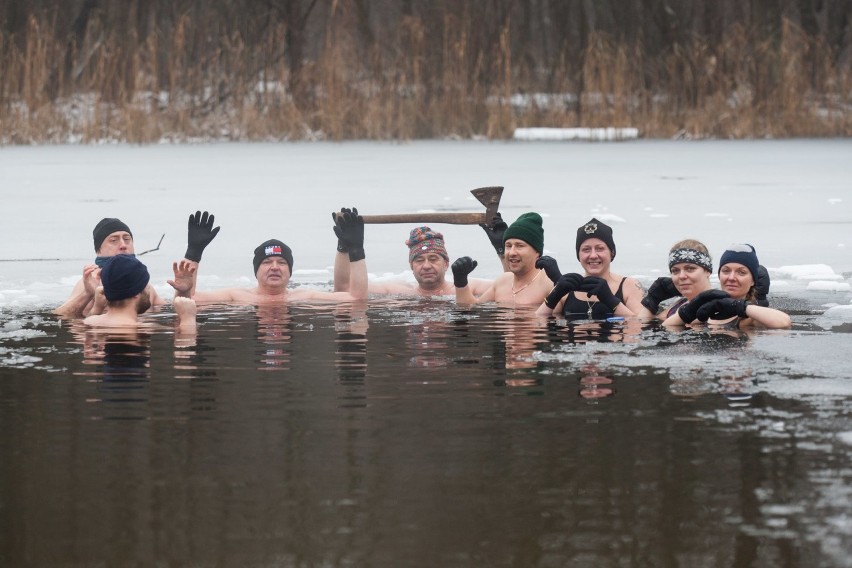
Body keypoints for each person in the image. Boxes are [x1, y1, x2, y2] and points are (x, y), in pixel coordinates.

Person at [173, 208, 369, 304]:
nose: (274, 266)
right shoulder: (237, 296)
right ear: (256, 272)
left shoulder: (304, 297)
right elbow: (187, 301)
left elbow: (356, 298)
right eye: (266, 262)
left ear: (290, 272)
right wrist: (194, 252)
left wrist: (355, 249)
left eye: (282, 262)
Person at [333, 212, 506, 297]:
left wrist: (502, 250)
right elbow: (344, 290)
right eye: (419, 260)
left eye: (433, 259)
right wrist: (345, 247)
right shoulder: (399, 292)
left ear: (446, 263)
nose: (426, 266)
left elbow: (514, 288)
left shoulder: (466, 288)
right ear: (411, 266)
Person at [55, 217, 166, 317]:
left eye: (127, 239)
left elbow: (169, 310)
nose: (123, 245)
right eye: (114, 240)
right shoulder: (91, 282)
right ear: (98, 250)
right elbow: (60, 317)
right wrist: (87, 294)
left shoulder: (142, 282)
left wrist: (182, 291)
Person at [535, 218, 644, 318]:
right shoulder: (567, 290)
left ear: (612, 252)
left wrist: (611, 301)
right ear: (578, 255)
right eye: (586, 249)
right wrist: (554, 295)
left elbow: (641, 325)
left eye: (600, 248)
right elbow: (538, 324)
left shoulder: (629, 286)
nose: (593, 255)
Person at [663, 244, 791, 329]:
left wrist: (739, 306)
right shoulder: (706, 311)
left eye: (741, 272)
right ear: (719, 275)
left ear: (753, 281)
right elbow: (666, 327)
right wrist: (690, 310)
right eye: (726, 271)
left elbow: (784, 323)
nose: (731, 278)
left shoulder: (750, 318)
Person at [452, 212, 555, 306]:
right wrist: (460, 281)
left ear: (537, 252)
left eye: (520, 246)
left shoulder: (548, 284)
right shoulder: (503, 281)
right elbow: (470, 308)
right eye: (508, 246)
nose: (512, 252)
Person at [84, 254, 197, 332]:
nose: (148, 289)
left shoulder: (90, 321)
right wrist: (188, 318)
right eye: (145, 285)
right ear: (135, 293)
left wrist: (96, 308)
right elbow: (185, 346)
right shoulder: (141, 328)